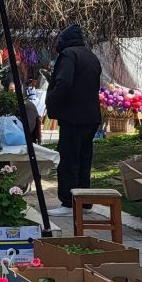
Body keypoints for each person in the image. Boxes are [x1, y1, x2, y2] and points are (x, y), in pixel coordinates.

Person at [46, 24, 102, 217]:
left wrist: (52, 100)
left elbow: (63, 83)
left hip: (73, 116)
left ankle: (68, 203)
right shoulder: (90, 56)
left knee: (69, 158)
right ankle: (84, 202)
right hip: (91, 116)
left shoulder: (69, 55)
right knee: (84, 158)